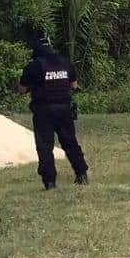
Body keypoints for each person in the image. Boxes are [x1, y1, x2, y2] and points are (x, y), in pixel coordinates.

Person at [17, 37, 88, 190]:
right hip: (64, 109)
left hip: (43, 111)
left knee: (45, 146)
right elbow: (74, 86)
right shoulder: (65, 62)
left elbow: (22, 89)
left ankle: (50, 182)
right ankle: (82, 174)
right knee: (70, 142)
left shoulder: (34, 66)